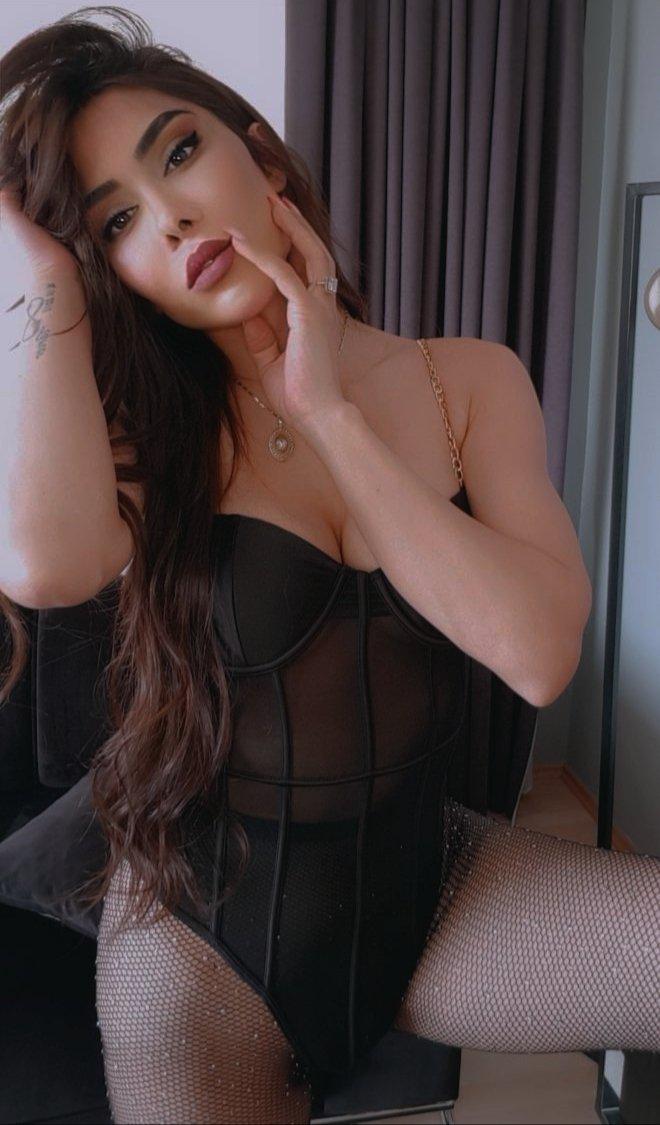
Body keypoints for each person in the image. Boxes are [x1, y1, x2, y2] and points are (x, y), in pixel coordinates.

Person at [0, 9, 657, 1124]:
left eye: (178, 152)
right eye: (119, 220)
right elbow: (44, 566)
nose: (171, 216)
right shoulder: (140, 432)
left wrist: (331, 414)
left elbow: (538, 654)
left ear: (260, 158)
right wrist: (44, 268)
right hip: (197, 940)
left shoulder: (467, 380)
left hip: (429, 887)